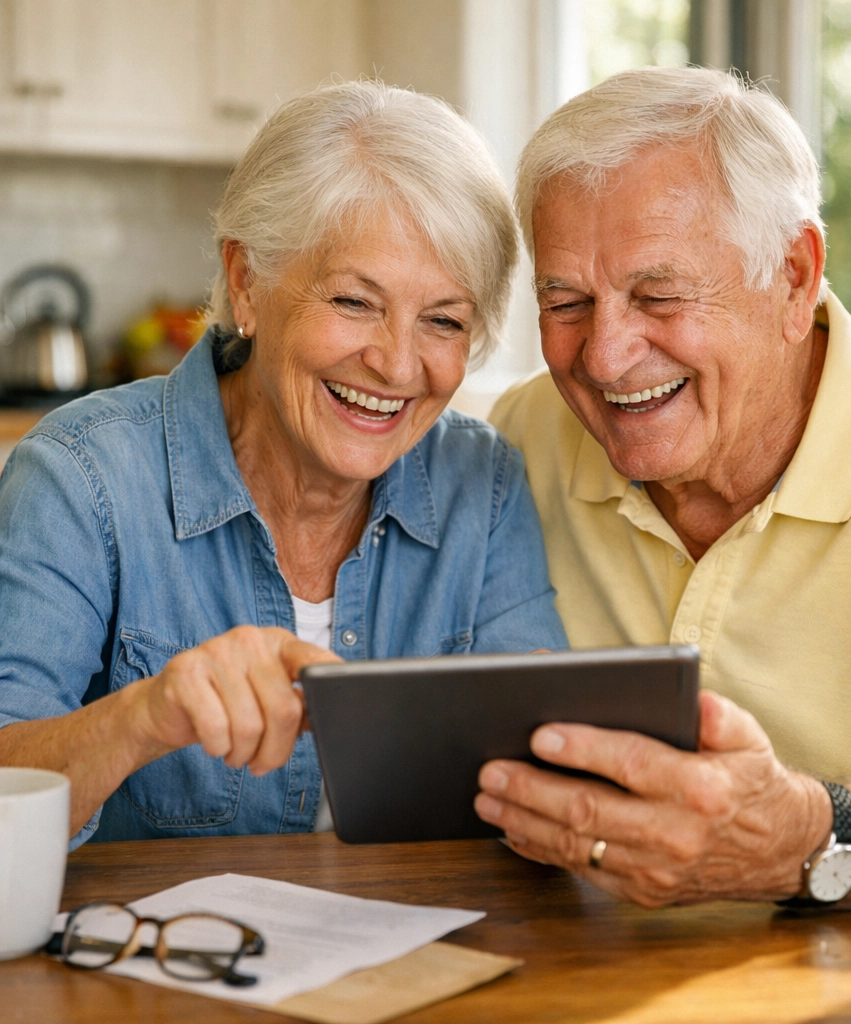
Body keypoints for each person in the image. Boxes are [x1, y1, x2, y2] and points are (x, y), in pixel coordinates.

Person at [478, 67, 851, 915]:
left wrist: (810, 836)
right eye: (567, 301)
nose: (606, 355)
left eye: (659, 294)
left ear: (796, 274)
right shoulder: (519, 439)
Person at [0, 81, 567, 848]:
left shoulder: (485, 487)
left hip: (416, 957)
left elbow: (541, 790)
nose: (397, 365)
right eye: (354, 302)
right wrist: (142, 718)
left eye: (444, 320)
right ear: (246, 283)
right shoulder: (80, 479)